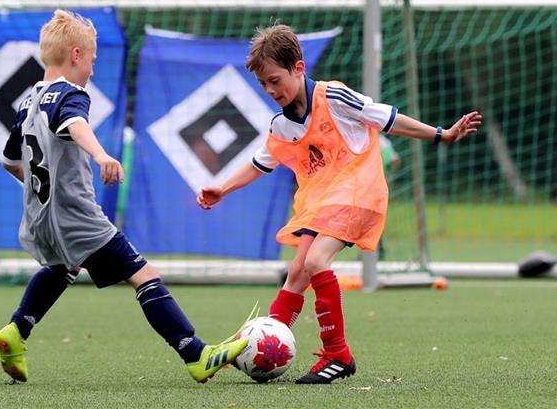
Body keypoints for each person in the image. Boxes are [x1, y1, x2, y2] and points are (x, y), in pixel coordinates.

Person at [197, 24, 481, 385]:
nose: (270, 90)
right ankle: (266, 344)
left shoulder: (334, 98)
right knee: (297, 272)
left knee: (315, 261)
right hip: (323, 201)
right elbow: (260, 163)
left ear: (298, 68)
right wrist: (222, 188)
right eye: (263, 85)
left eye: (274, 80)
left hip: (359, 192)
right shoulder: (282, 126)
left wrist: (442, 134)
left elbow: (387, 118)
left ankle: (338, 355)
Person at [0, 9, 248, 384]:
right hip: (77, 215)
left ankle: (16, 331)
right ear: (76, 55)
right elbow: (75, 124)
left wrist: (37, 183)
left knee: (62, 268)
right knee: (144, 274)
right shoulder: (71, 94)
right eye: (92, 61)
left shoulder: (29, 101)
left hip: (38, 216)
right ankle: (196, 353)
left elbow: (9, 160)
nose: (93, 70)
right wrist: (101, 156)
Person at [377, 133, 401, 259]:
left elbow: (396, 160)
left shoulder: (381, 142)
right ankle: (377, 249)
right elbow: (396, 160)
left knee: (373, 218)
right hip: (372, 184)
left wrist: (386, 173)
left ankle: (377, 249)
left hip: (378, 185)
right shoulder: (383, 141)